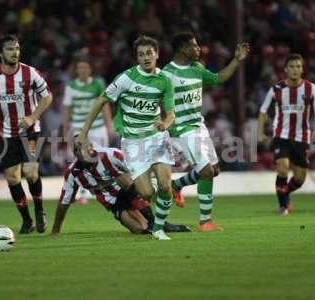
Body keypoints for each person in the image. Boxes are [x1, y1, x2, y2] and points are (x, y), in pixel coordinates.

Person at [76, 36, 176, 240]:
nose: (146, 57)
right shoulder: (126, 78)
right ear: (136, 58)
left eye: (149, 53)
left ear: (157, 54)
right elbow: (102, 99)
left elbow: (171, 113)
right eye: (141, 54)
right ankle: (162, 187)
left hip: (156, 136)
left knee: (165, 186)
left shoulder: (165, 80)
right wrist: (84, 131)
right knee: (146, 193)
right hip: (133, 141)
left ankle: (158, 228)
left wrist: (164, 125)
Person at [162, 31, 249, 231]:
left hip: (198, 126)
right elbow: (158, 99)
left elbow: (219, 78)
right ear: (182, 49)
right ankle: (205, 222)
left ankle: (177, 185)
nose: (198, 48)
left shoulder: (197, 68)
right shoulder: (167, 73)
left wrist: (236, 61)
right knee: (206, 171)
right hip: (182, 129)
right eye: (194, 45)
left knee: (214, 171)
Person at [0, 34, 52, 233]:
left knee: (30, 173)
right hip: (4, 132)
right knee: (12, 178)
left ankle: (39, 212)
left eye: (17, 48)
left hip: (29, 131)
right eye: (10, 49)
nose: (15, 53)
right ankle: (27, 220)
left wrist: (32, 116)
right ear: (0, 53)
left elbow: (47, 96)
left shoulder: (30, 73)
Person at [51, 140, 191, 235]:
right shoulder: (73, 173)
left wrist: (154, 182)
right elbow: (64, 202)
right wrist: (56, 230)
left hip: (129, 188)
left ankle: (156, 221)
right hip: (113, 202)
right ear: (74, 153)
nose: (81, 152)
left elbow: (138, 169)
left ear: (91, 147)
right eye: (77, 150)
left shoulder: (111, 154)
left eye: (83, 147)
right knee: (140, 230)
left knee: (120, 177)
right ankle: (154, 224)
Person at [258, 53, 315, 215]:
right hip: (281, 134)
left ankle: (286, 192)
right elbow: (263, 112)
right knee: (282, 168)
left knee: (299, 178)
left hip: (302, 137)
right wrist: (260, 132)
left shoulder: (311, 89)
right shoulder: (276, 89)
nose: (295, 69)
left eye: (298, 66)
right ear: (285, 69)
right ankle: (283, 206)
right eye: (292, 66)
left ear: (302, 69)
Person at [63, 57, 114, 147]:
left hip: (98, 128)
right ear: (76, 70)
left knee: (101, 158)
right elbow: (67, 110)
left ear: (90, 69)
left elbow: (105, 106)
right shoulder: (70, 87)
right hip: (78, 129)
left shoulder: (98, 84)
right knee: (81, 160)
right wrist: (65, 131)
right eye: (80, 68)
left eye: (85, 67)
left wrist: (109, 126)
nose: (83, 70)